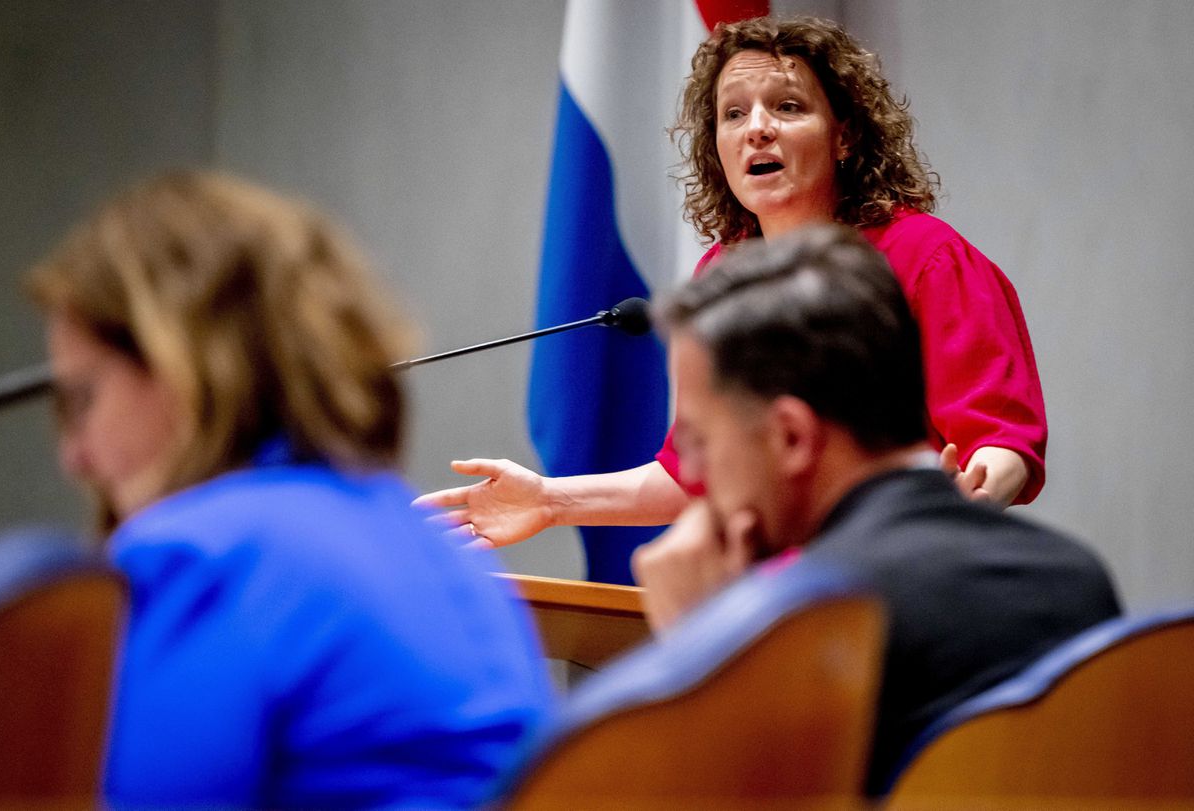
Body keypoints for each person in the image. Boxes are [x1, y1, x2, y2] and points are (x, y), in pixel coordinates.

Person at [417, 15, 1046, 561]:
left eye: (789, 107)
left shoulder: (926, 258)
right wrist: (551, 501)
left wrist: (976, 492)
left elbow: (1000, 437)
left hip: (897, 579)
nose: (757, 129)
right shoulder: (723, 275)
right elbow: (693, 476)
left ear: (846, 135)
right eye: (733, 114)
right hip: (770, 604)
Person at [26, 171, 554, 810]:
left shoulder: (197, 554)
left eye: (82, 398)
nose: (72, 456)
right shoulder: (423, 542)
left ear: (178, 367)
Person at [631, 223, 1119, 793]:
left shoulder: (801, 622)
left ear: (791, 437)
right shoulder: (1079, 579)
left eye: (699, 441)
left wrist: (701, 650)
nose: (692, 474)